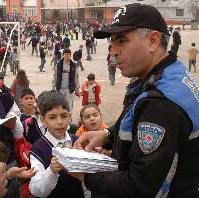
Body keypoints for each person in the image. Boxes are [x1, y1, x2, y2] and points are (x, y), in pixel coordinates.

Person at [70, 3, 199, 197]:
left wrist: (85, 174)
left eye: (121, 41)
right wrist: (107, 134)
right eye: (112, 42)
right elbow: (135, 119)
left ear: (153, 41)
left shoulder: (161, 104)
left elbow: (138, 187)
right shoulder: (168, 73)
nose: (113, 51)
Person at [29, 90, 84, 198]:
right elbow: (36, 190)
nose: (59, 122)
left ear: (70, 116)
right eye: (52, 117)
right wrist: (51, 171)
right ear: (43, 120)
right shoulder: (38, 149)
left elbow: (86, 182)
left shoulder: (77, 141)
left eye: (64, 116)